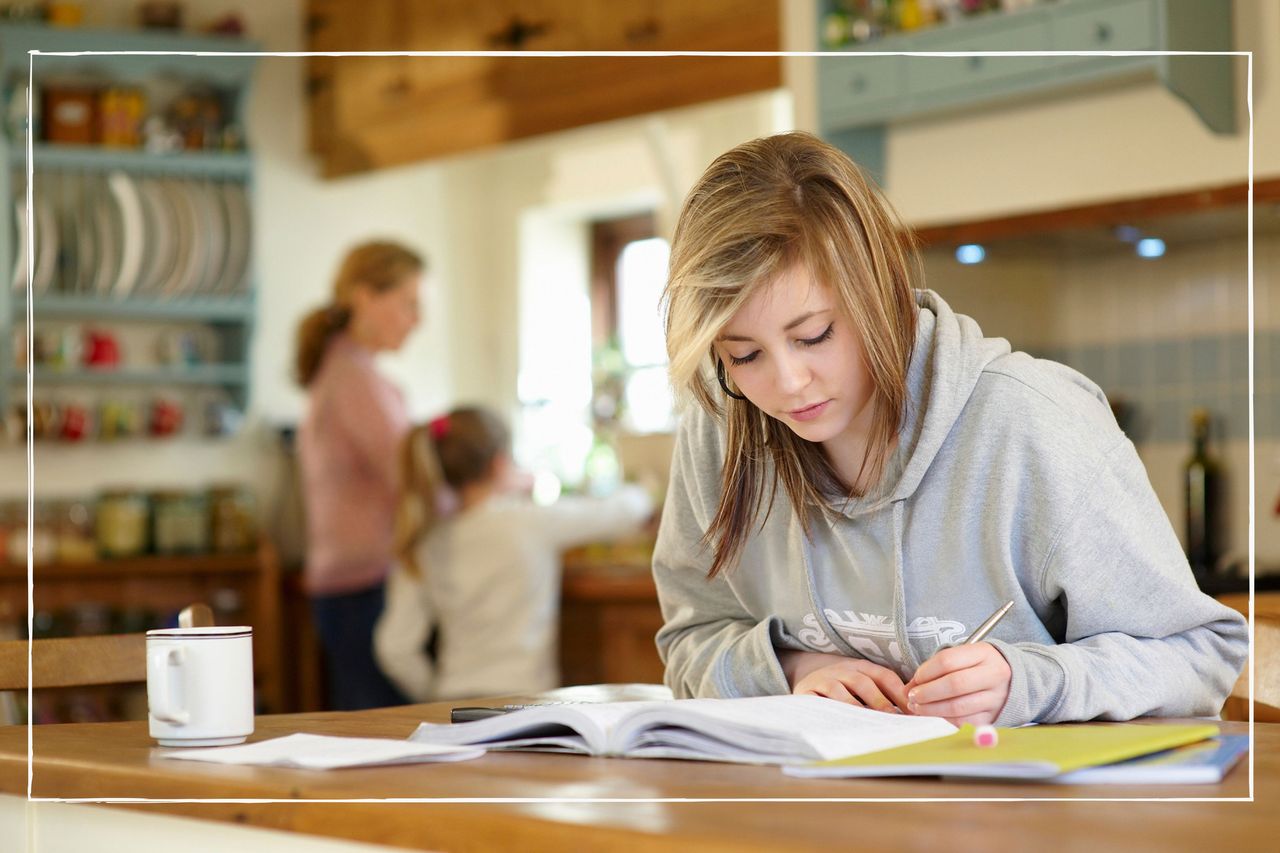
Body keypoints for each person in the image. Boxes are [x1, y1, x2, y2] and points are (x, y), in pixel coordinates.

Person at [652, 131, 1248, 727]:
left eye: (814, 336)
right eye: (743, 355)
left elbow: (1199, 656)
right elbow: (690, 639)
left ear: (877, 293)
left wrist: (1029, 682)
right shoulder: (722, 434)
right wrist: (791, 670)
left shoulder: (1035, 422)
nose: (787, 383)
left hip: (1035, 811)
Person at [374, 407, 653, 701]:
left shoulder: (425, 544)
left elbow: (394, 648)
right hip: (525, 702)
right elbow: (621, 513)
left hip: (451, 704)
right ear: (499, 463)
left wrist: (432, 696)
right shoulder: (529, 522)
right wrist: (645, 488)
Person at [296, 240, 424, 710]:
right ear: (364, 297)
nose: (418, 319)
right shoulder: (354, 379)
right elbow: (413, 478)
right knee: (383, 749)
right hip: (362, 590)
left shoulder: (345, 371)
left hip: (347, 586)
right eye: (409, 303)